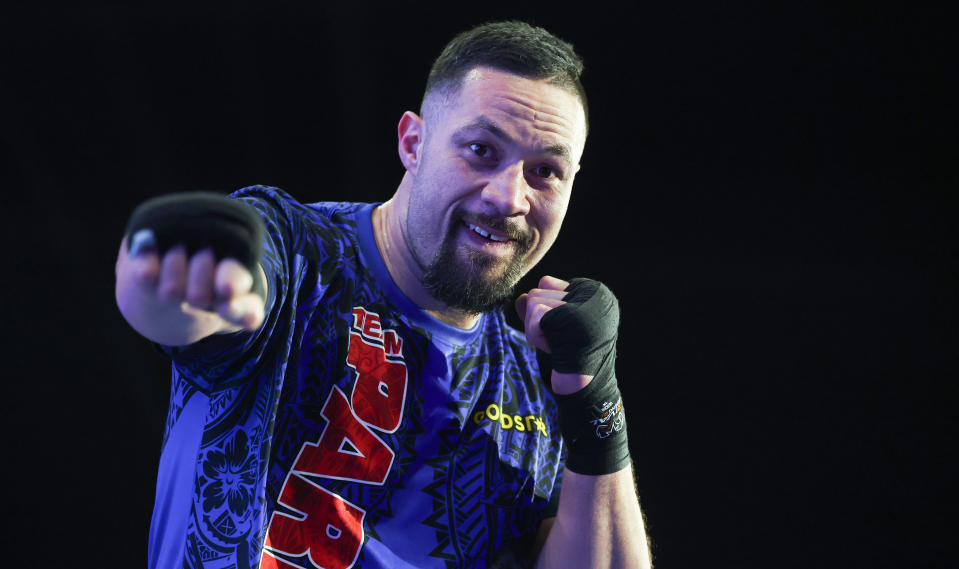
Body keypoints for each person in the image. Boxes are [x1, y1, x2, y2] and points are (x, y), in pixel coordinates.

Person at [115, 21, 651, 569]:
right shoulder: (297, 253)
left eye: (545, 171)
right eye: (481, 150)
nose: (509, 197)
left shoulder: (535, 382)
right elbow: (182, 297)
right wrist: (167, 273)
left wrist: (594, 400)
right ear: (413, 143)